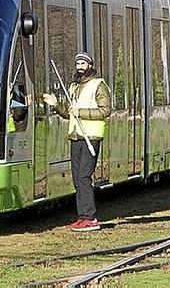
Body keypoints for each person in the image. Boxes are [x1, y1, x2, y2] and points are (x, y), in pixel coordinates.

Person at [42, 52, 112, 232]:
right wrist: (56, 104)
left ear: (90, 65)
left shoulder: (99, 85)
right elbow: (69, 113)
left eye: (83, 63)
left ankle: (90, 218)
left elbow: (105, 111)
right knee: (77, 179)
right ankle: (83, 216)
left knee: (83, 177)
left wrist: (79, 112)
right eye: (78, 63)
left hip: (91, 137)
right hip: (76, 136)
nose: (80, 66)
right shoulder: (74, 86)